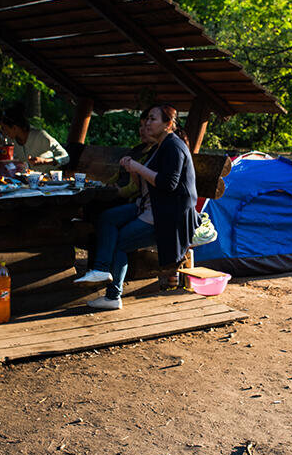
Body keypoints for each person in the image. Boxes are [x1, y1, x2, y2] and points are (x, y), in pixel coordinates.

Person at [75, 104, 199, 310]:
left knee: (120, 242)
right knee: (107, 218)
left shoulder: (173, 146)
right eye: (147, 119)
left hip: (166, 216)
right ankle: (101, 269)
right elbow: (146, 182)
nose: (147, 123)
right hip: (148, 207)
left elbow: (169, 184)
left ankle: (113, 296)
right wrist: (133, 170)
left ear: (168, 124)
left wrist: (138, 167)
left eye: (152, 119)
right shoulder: (160, 145)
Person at [0, 104, 69, 169]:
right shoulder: (11, 141)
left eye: (5, 129)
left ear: (14, 128)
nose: (3, 132)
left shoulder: (40, 136)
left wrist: (45, 161)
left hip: (48, 179)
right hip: (23, 181)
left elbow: (65, 157)